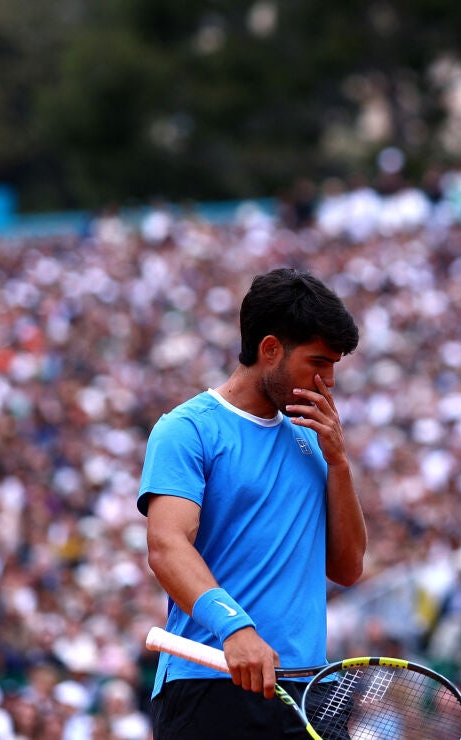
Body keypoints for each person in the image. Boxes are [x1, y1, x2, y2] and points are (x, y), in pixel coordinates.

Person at [139, 267, 366, 738]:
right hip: (210, 680)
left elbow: (347, 568)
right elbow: (166, 546)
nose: (328, 381)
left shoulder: (315, 441)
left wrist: (340, 464)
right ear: (270, 350)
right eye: (318, 362)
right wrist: (235, 628)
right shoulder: (187, 429)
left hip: (308, 689)